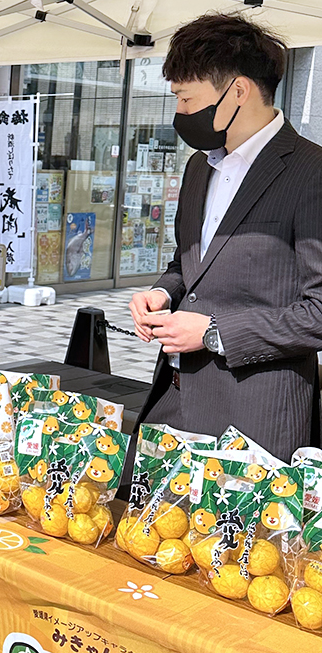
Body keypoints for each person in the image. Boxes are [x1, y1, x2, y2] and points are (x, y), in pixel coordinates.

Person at [130, 13, 322, 462]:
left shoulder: (311, 173)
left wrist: (214, 332)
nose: (180, 114)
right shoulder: (200, 166)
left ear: (238, 91)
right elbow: (189, 262)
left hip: (256, 418)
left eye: (186, 99)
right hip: (174, 400)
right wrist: (162, 291)